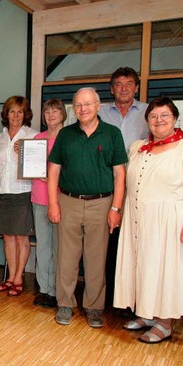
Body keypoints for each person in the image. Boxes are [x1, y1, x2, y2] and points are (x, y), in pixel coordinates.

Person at [114, 97, 183, 344]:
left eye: (164, 116)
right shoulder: (139, 147)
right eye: (153, 116)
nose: (158, 121)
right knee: (144, 267)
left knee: (166, 271)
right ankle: (147, 314)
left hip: (171, 222)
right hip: (140, 219)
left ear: (175, 118)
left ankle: (165, 322)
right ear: (147, 121)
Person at [47, 87, 127, 328]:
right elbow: (54, 171)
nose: (83, 109)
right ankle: (65, 303)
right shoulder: (65, 135)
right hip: (68, 202)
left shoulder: (112, 134)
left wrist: (116, 208)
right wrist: (53, 203)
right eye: (79, 105)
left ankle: (94, 307)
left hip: (101, 204)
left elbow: (120, 174)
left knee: (96, 257)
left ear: (98, 105)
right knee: (66, 257)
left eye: (88, 104)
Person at [99, 67, 149, 308]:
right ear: (111, 88)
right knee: (108, 242)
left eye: (129, 83)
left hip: (139, 188)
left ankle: (136, 302)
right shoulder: (99, 113)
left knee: (134, 244)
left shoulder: (150, 113)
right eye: (118, 84)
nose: (124, 88)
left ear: (136, 87)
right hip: (105, 186)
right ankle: (111, 299)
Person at [0, 96, 38, 297]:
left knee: (22, 238)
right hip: (2, 191)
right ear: (6, 114)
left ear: (25, 114)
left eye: (20, 111)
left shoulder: (33, 135)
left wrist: (24, 153)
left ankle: (19, 278)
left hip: (23, 192)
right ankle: (10, 277)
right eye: (12, 111)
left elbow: (39, 166)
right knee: (8, 238)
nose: (16, 115)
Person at [31, 98, 67, 308]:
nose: (51, 115)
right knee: (43, 246)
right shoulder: (38, 138)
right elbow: (30, 167)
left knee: (60, 248)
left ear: (63, 113)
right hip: (39, 197)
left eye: (55, 111)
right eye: (47, 112)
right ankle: (44, 289)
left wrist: (55, 178)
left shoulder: (70, 137)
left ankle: (56, 290)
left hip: (62, 199)